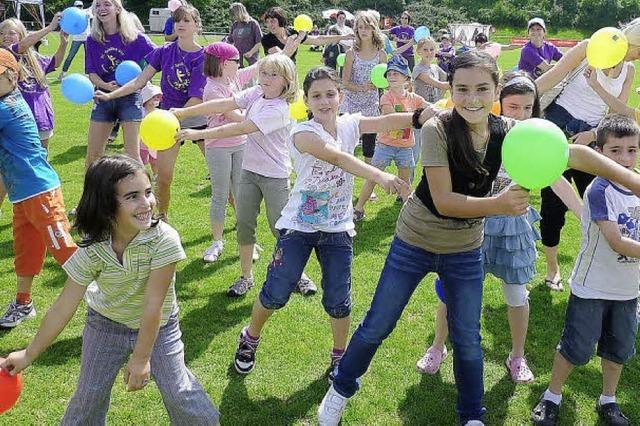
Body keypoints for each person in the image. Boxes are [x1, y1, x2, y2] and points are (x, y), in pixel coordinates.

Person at [316, 50, 640, 426]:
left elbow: (578, 155)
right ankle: (340, 389)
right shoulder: (439, 129)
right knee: (378, 324)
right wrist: (499, 204)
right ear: (450, 89)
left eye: (482, 89)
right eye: (462, 89)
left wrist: (634, 180)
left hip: (464, 250)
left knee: (468, 338)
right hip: (414, 242)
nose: (472, 98)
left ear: (497, 91)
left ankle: (472, 415)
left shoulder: (509, 132)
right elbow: (444, 200)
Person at [0, 155, 220, 425]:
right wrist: (29, 353)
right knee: (88, 398)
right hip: (104, 326)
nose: (146, 203)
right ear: (106, 205)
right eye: (132, 196)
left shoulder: (164, 240)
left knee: (179, 392)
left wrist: (141, 358)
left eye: (148, 192)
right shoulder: (94, 246)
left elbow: (154, 305)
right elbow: (64, 305)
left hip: (160, 328)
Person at [233, 66, 421, 377]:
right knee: (276, 291)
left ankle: (339, 356)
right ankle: (249, 337)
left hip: (338, 228)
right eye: (316, 96)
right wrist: (379, 175)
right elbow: (335, 157)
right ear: (305, 101)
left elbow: (387, 120)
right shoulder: (303, 133)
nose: (324, 101)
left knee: (338, 299)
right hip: (299, 227)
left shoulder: (350, 124)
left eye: (330, 94)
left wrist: (423, 117)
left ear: (340, 97)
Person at [415, 72, 581, 383]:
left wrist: (586, 219)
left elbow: (558, 179)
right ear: (499, 104)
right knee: (451, 293)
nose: (520, 115)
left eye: (527, 108)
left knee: (517, 295)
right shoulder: (481, 135)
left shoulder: (536, 139)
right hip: (470, 225)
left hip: (513, 229)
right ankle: (438, 346)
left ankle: (517, 355)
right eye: (513, 107)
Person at [171, 53, 318, 298]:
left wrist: (198, 134)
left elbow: (242, 128)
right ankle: (246, 277)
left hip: (275, 175)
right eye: (264, 73)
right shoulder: (256, 94)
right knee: (244, 226)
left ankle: (298, 274)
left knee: (280, 228)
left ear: (287, 80)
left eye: (274, 75)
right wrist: (184, 113)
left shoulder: (280, 109)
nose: (266, 78)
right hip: (249, 173)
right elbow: (223, 104)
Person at [531, 114, 640, 426]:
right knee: (575, 348)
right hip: (592, 287)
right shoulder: (598, 190)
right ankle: (552, 396)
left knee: (618, 349)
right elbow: (616, 241)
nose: (625, 157)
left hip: (627, 289)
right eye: (615, 150)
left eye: (632, 150)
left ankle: (608, 400)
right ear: (599, 154)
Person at [535, 20, 639, 291]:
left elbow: (615, 114)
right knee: (553, 203)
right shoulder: (588, 48)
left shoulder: (629, 69)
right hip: (557, 128)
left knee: (602, 201)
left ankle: (598, 270)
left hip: (592, 137)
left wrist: (592, 136)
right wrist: (512, 99)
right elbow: (551, 78)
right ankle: (552, 269)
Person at [96, 4, 207, 220]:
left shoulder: (202, 57)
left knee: (222, 178)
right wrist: (111, 95)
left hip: (196, 116)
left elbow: (196, 98)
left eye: (186, 21)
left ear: (196, 25)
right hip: (167, 122)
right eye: (177, 20)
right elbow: (139, 81)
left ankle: (240, 220)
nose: (181, 25)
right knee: (163, 178)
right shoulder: (165, 51)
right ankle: (161, 220)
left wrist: (172, 116)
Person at [0, 49, 77, 328]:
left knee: (63, 249)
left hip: (40, 192)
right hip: (22, 194)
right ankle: (23, 302)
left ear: (12, 76)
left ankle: (109, 295)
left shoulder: (7, 108)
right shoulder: (7, 100)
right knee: (26, 250)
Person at [199, 41, 257, 263]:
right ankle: (217, 241)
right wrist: (260, 120)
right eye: (236, 61)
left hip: (240, 143)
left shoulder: (232, 79)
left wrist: (288, 48)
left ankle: (247, 241)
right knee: (221, 196)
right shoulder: (212, 90)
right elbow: (235, 116)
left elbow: (256, 68)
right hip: (218, 148)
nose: (239, 64)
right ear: (223, 64)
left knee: (242, 195)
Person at [353, 55, 427, 221]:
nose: (392, 76)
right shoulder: (386, 97)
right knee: (373, 176)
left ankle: (408, 212)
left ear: (406, 79)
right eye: (389, 74)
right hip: (385, 146)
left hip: (406, 147)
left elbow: (428, 108)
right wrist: (417, 118)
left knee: (405, 181)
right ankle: (358, 208)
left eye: (396, 73)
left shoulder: (414, 99)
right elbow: (391, 117)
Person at [83, 0, 155, 170]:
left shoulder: (136, 38)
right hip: (103, 98)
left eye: (106, 4)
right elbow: (91, 73)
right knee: (93, 156)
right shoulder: (92, 40)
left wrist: (140, 80)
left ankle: (142, 194)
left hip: (130, 98)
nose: (102, 9)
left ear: (117, 8)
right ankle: (91, 196)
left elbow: (158, 59)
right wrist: (107, 86)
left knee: (132, 155)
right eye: (98, 6)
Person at [1, 15, 68, 149]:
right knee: (15, 161)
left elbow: (56, 62)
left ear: (22, 35)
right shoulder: (4, 55)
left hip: (41, 117)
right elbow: (23, 45)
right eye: (1, 33)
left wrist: (64, 43)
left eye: (11, 33)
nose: (5, 36)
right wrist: (49, 28)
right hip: (17, 121)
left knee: (41, 159)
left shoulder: (34, 58)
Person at [340, 10, 387, 189]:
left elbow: (384, 80)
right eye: (360, 27)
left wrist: (378, 86)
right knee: (347, 147)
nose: (363, 31)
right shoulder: (352, 53)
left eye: (367, 27)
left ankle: (369, 186)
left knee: (369, 148)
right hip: (351, 103)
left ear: (374, 29)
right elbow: (344, 82)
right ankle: (344, 184)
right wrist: (361, 88)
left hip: (371, 104)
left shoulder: (381, 54)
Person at [260, 7, 351, 64]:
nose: (269, 25)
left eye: (273, 21)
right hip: (275, 76)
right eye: (267, 22)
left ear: (280, 20)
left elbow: (318, 39)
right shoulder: (267, 39)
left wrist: (343, 37)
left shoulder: (291, 32)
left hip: (291, 74)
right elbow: (283, 58)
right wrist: (299, 38)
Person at [58, 1, 92, 81]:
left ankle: (87, 74)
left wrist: (88, 16)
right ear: (74, 7)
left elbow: (91, 13)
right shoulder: (72, 14)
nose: (79, 7)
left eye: (80, 6)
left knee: (88, 57)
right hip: (76, 39)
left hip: (87, 38)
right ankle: (63, 73)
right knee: (70, 56)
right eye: (77, 6)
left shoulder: (86, 13)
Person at [413, 37, 449, 103]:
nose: (429, 52)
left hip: (435, 106)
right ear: (418, 51)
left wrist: (440, 98)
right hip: (422, 108)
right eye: (425, 50)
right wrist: (457, 85)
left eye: (432, 49)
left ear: (436, 51)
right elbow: (439, 85)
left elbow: (447, 77)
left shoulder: (435, 68)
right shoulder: (418, 69)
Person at [228, 2, 262, 68]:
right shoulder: (235, 24)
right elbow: (230, 40)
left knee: (251, 78)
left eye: (234, 14)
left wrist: (251, 52)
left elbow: (259, 42)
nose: (233, 17)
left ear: (239, 12)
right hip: (238, 61)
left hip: (252, 61)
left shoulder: (253, 23)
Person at [139, 83, 161, 178]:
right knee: (141, 159)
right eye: (154, 97)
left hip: (155, 142)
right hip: (142, 141)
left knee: (154, 160)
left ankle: (156, 175)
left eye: (158, 97)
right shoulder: (141, 113)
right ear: (146, 99)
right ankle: (140, 175)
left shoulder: (159, 113)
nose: (157, 99)